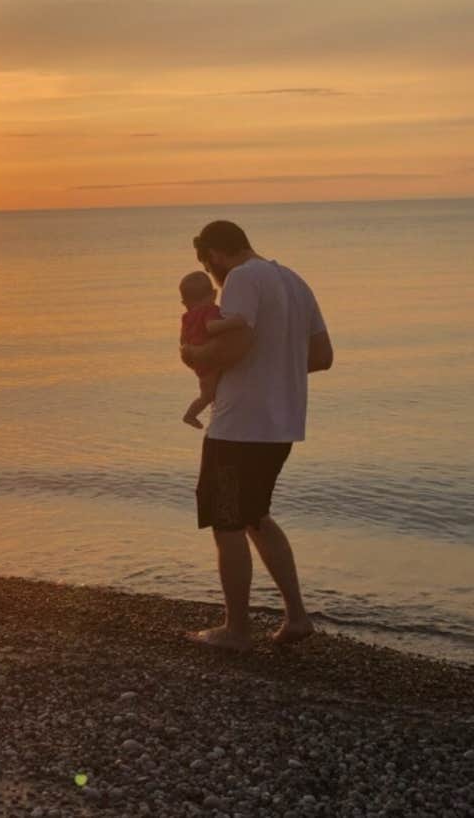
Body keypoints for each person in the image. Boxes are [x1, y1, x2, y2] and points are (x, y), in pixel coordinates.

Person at [179, 220, 333, 652]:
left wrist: (191, 354)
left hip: (239, 426)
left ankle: (236, 630)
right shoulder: (293, 280)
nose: (212, 278)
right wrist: (275, 367)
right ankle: (297, 618)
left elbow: (230, 348)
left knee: (227, 521)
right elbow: (322, 356)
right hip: (280, 426)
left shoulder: (243, 278)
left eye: (208, 267)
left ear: (213, 255)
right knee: (254, 516)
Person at [178, 270, 247, 428]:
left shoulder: (186, 317)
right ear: (214, 294)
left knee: (211, 390)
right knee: (207, 395)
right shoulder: (210, 310)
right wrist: (234, 322)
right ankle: (190, 415)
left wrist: (191, 349)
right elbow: (211, 327)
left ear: (185, 303)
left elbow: (182, 340)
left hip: (197, 360)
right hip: (209, 362)